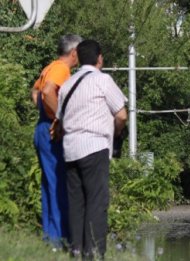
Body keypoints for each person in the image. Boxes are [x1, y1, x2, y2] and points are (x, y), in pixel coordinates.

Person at [56, 39, 127, 258]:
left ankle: (76, 250)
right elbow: (122, 114)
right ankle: (94, 252)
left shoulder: (68, 85)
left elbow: (59, 122)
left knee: (76, 202)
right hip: (94, 147)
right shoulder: (102, 80)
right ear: (100, 58)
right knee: (96, 201)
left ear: (77, 58)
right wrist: (115, 133)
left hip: (70, 150)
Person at [32, 34, 83, 248]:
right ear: (74, 53)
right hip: (51, 131)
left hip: (42, 128)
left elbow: (35, 92)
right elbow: (46, 91)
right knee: (58, 183)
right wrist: (58, 118)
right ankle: (59, 238)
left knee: (48, 183)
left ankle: (50, 236)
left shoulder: (49, 67)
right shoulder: (62, 69)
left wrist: (45, 113)